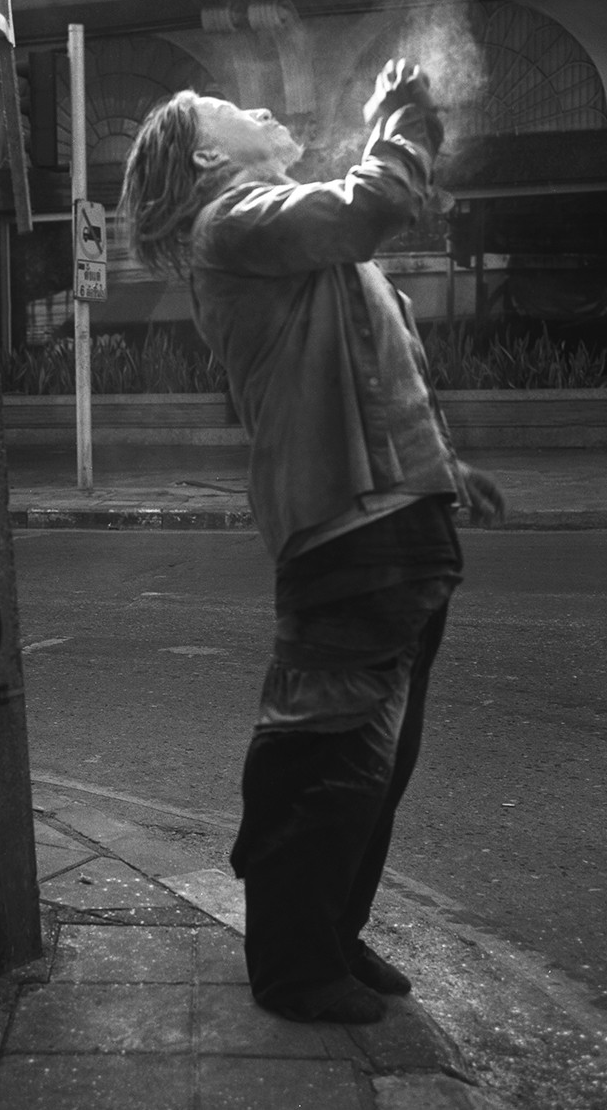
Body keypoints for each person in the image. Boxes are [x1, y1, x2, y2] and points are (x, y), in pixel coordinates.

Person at [118, 61, 505, 1025]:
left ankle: (329, 931)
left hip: (398, 517)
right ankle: (293, 966)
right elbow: (373, 204)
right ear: (209, 154)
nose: (259, 110)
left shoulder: (276, 229)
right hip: (350, 530)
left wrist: (445, 469)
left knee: (381, 760)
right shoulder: (234, 222)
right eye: (232, 109)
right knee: (332, 760)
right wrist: (402, 114)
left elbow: (380, 376)